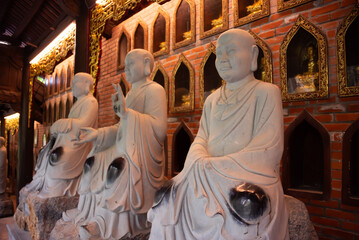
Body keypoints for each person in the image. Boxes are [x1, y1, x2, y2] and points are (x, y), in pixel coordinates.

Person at [148, 29, 289, 240]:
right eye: (219, 53)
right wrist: (198, 159)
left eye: (231, 51)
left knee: (246, 204)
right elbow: (202, 138)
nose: (222, 59)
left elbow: (269, 146)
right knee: (166, 196)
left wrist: (219, 166)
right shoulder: (212, 100)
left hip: (245, 174)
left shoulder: (266, 92)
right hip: (205, 172)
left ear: (252, 56)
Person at [63, 49, 167, 239]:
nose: (125, 69)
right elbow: (120, 128)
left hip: (140, 155)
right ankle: (86, 212)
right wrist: (97, 134)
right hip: (123, 148)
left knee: (116, 168)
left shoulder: (155, 90)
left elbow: (159, 131)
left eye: (130, 64)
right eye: (125, 65)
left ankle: (104, 225)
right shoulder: (131, 94)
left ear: (145, 65)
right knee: (91, 161)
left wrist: (129, 115)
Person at [21, 72, 98, 199]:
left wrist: (64, 123)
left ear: (86, 84)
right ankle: (44, 185)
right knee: (45, 153)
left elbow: (85, 125)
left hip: (80, 145)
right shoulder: (78, 103)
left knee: (57, 157)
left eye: (75, 82)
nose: (72, 86)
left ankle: (55, 189)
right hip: (70, 141)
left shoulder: (91, 102)